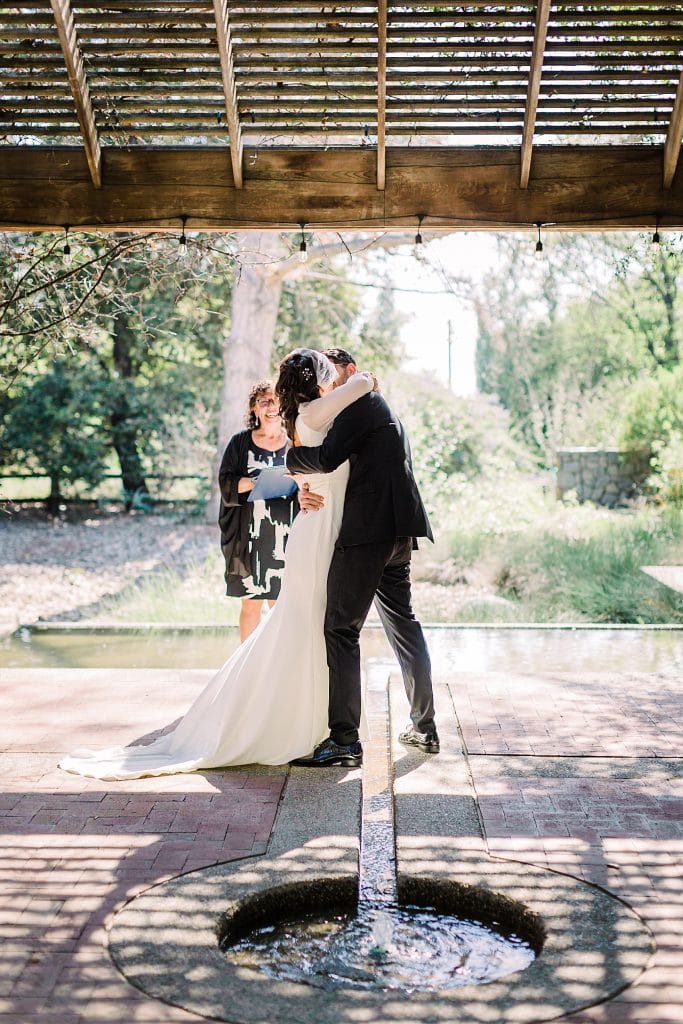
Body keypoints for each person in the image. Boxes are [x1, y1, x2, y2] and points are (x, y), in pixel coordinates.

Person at [58, 350, 373, 780]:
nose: (333, 380)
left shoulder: (304, 418)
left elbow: (307, 465)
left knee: (312, 624)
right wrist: (362, 379)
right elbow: (362, 384)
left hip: (318, 524)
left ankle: (318, 720)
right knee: (306, 623)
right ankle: (292, 721)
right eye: (326, 374)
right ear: (317, 381)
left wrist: (301, 485)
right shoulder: (316, 411)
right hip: (318, 534)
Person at [287, 348, 439, 768]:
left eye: (333, 375)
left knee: (340, 628)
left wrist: (288, 460)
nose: (329, 385)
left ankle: (344, 739)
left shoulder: (359, 401)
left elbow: (327, 457)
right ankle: (424, 727)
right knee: (403, 625)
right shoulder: (374, 401)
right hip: (398, 529)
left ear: (348, 373)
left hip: (368, 532)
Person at [218, 380, 297, 642]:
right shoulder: (240, 443)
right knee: (251, 604)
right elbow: (226, 483)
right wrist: (257, 482)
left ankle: (274, 666)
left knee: (280, 604)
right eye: (264, 401)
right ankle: (244, 665)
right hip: (248, 539)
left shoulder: (295, 442)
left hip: (286, 538)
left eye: (276, 401)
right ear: (254, 408)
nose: (271, 407)